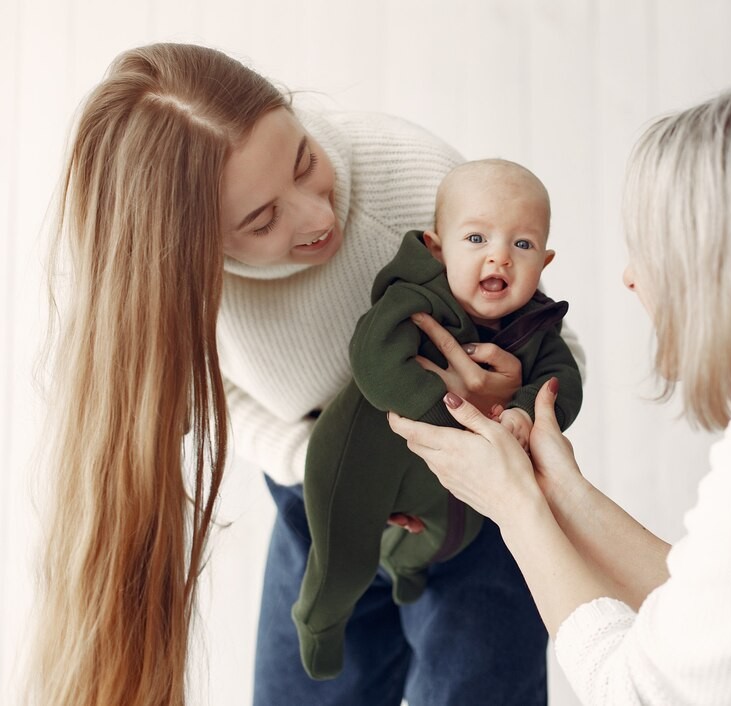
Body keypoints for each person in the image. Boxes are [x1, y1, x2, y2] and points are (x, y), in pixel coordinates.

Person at [33, 43, 584, 706]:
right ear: (194, 246)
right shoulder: (171, 290)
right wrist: (315, 466)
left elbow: (550, 333)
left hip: (479, 505)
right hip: (320, 507)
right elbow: (217, 396)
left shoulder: (412, 174)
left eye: (305, 162)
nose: (318, 217)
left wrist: (510, 396)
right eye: (262, 219)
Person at [390, 87, 731, 705]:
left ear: (716, 254)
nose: (630, 276)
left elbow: (651, 697)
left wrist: (515, 507)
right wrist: (560, 493)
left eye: (648, 245)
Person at [293, 159, 583, 679]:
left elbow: (562, 382)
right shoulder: (413, 299)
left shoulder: (538, 325)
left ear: (544, 261)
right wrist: (459, 420)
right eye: (476, 238)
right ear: (436, 248)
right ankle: (319, 620)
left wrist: (523, 412)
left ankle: (407, 573)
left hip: (451, 474)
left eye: (522, 245)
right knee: (344, 552)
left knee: (448, 536)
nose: (500, 256)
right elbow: (377, 362)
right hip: (360, 457)